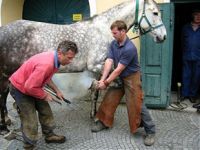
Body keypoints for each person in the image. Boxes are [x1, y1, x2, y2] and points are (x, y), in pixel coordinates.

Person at [91, 20, 155, 146]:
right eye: (112, 33)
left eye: (115, 33)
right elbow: (109, 61)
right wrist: (102, 80)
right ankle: (104, 122)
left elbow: (119, 69)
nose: (113, 35)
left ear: (123, 31)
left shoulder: (130, 48)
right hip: (119, 75)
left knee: (137, 104)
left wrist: (107, 82)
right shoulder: (113, 44)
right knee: (110, 98)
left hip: (132, 76)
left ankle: (151, 131)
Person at [9, 40, 78, 149]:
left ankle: (49, 135)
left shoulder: (55, 60)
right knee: (30, 118)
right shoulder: (47, 64)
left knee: (45, 110)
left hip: (33, 85)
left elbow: (47, 77)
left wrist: (57, 91)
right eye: (69, 58)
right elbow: (29, 87)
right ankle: (29, 145)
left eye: (72, 58)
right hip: (20, 88)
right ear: (60, 53)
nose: (71, 61)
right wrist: (45, 95)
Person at [181, 10, 200, 103]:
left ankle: (193, 95)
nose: (198, 17)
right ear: (192, 16)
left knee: (196, 76)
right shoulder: (185, 28)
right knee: (186, 75)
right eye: (196, 15)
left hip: (198, 57)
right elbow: (181, 41)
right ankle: (185, 94)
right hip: (187, 55)